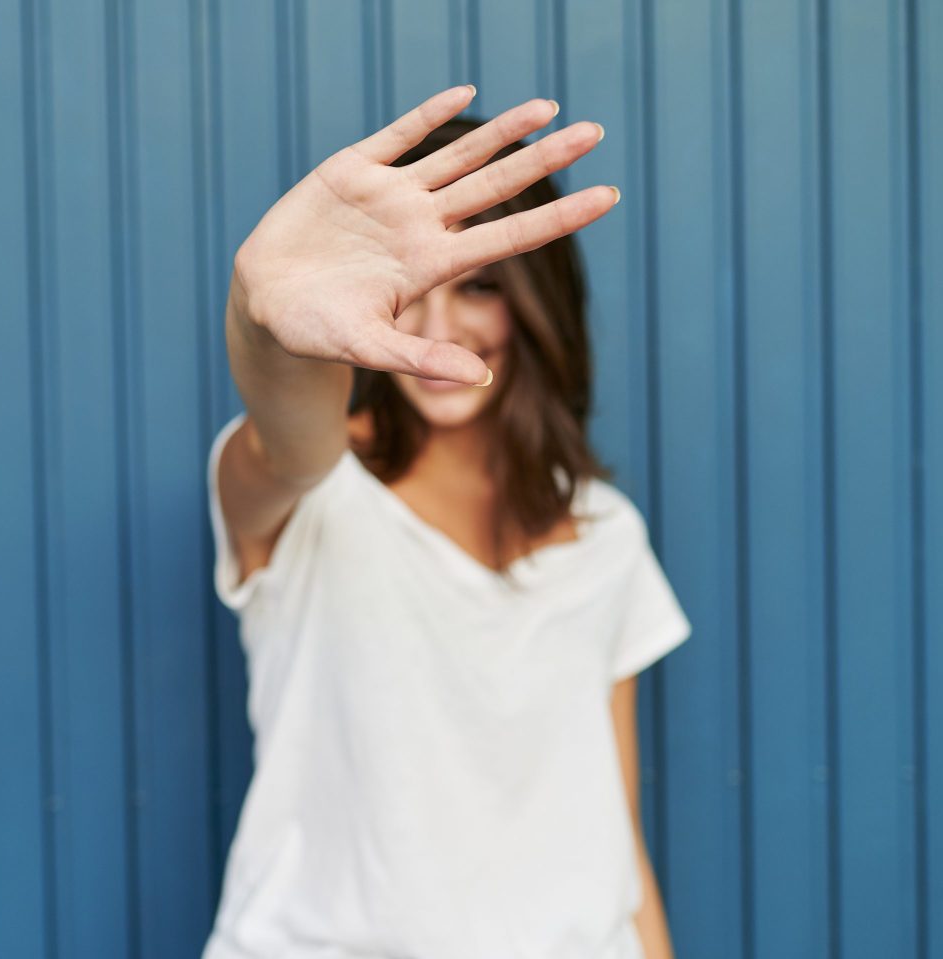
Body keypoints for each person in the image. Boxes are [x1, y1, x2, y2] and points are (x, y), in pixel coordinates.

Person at [203, 85, 691, 959]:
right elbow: (288, 445)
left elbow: (614, 837)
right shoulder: (314, 490)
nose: (439, 323)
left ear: (535, 301)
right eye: (414, 287)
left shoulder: (606, 532)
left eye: (481, 287)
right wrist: (261, 314)